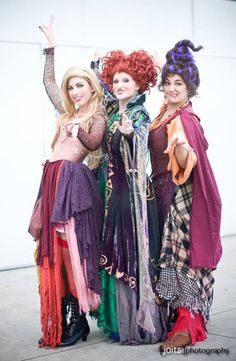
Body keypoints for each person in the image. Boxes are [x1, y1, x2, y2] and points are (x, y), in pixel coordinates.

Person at [28, 18, 107, 348]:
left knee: (72, 250)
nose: (75, 91)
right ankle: (65, 313)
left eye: (80, 85)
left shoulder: (97, 115)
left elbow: (93, 144)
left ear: (91, 87)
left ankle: (77, 319)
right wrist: (50, 48)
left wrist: (80, 132)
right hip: (52, 183)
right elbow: (48, 84)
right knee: (55, 254)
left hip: (75, 187)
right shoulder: (65, 113)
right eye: (71, 86)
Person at [148, 39, 222, 352]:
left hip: (182, 194)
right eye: (168, 83)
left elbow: (188, 153)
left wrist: (182, 147)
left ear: (190, 87)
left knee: (184, 259)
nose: (172, 88)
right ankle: (177, 313)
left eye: (179, 83)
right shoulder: (163, 113)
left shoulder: (185, 120)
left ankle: (189, 321)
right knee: (168, 259)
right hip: (162, 192)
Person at [96, 49, 167, 344]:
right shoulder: (110, 109)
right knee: (117, 256)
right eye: (115, 79)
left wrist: (129, 134)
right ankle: (117, 322)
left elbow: (139, 139)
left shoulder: (139, 113)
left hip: (134, 199)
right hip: (115, 198)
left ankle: (140, 324)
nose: (120, 83)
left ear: (139, 84)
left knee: (135, 257)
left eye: (126, 79)